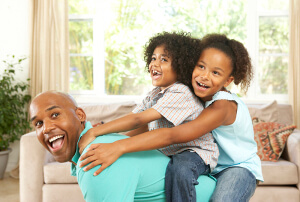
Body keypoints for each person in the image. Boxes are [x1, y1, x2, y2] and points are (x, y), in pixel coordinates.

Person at [79, 33, 264, 201]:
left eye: (215, 73)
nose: (204, 76)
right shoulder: (186, 92)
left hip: (237, 168)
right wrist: (113, 138)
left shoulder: (222, 106)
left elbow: (173, 135)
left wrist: (118, 146)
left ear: (228, 80)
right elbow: (143, 121)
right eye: (201, 66)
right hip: (209, 164)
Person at [29, 91, 216, 202]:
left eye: (55, 115)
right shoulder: (104, 142)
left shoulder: (95, 157)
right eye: (38, 124)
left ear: (80, 115)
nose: (46, 128)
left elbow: (162, 132)